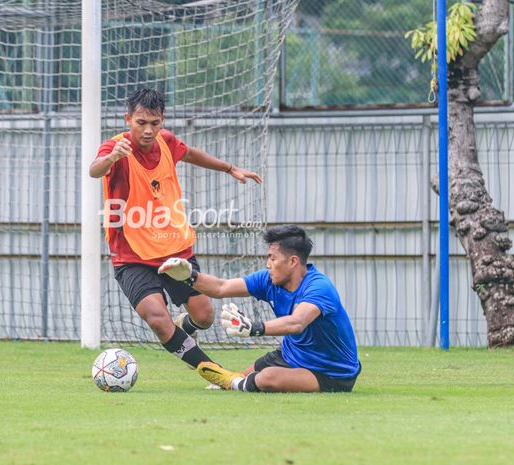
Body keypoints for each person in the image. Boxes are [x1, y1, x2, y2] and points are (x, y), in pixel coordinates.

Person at [89, 87, 261, 370]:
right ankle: (217, 373)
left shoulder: (166, 142)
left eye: (154, 123)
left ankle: (185, 325)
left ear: (163, 120)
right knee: (158, 319)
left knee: (204, 316)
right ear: (127, 119)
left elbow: (191, 154)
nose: (147, 130)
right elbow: (94, 170)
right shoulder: (115, 148)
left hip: (174, 249)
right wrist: (110, 159)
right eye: (140, 123)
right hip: (132, 256)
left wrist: (230, 169)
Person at [158, 225, 361, 393]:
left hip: (331, 371)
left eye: (272, 258)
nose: (267, 264)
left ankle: (235, 383)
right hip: (291, 355)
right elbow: (221, 287)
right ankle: (236, 382)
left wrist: (253, 327)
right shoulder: (268, 280)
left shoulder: (319, 287)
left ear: (292, 261)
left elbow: (296, 322)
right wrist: (189, 276)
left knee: (266, 379)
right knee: (243, 378)